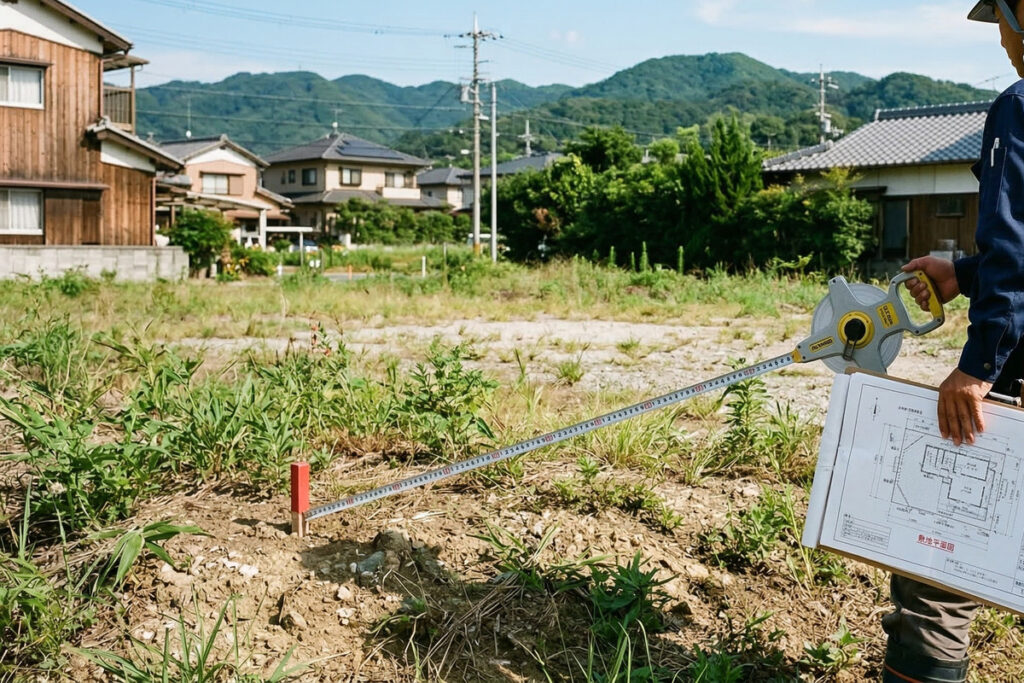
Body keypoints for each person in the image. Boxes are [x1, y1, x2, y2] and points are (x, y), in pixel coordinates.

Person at [891, 1, 1024, 680]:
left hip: (1019, 369)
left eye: (999, 17)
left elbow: (1015, 250)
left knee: (939, 561)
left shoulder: (1019, 107)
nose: (1001, 40)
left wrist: (977, 367)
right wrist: (959, 273)